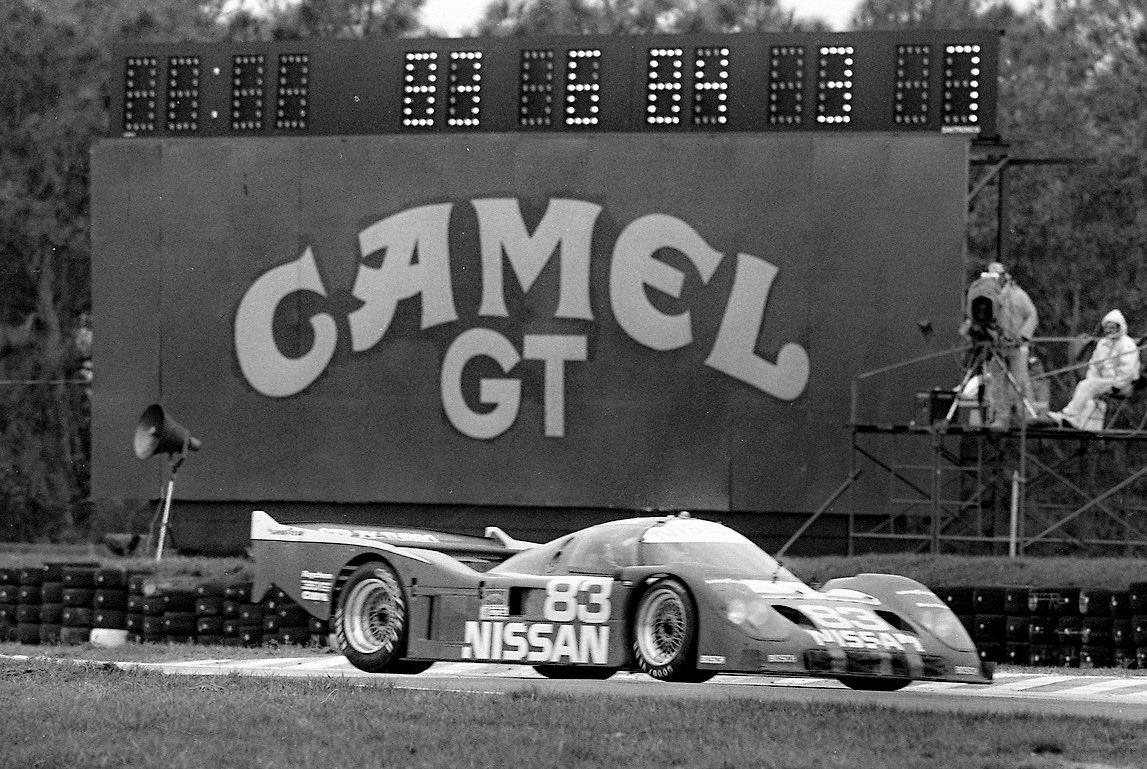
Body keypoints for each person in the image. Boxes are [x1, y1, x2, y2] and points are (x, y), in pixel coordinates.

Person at [959, 262, 1039, 430]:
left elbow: (1032, 314)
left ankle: (1027, 416)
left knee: (1020, 381)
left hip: (1016, 347)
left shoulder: (1018, 295)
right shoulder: (988, 297)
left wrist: (1023, 335)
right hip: (996, 346)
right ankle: (1000, 418)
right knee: (996, 383)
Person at [1049, 309, 1141, 430]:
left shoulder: (1127, 344)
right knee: (1087, 393)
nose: (1109, 331)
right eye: (1107, 328)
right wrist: (1092, 380)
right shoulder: (1103, 344)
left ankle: (1069, 414)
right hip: (1103, 382)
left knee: (1085, 386)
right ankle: (1082, 423)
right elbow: (1094, 365)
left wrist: (1117, 384)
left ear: (1120, 327)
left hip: (1121, 385)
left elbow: (1128, 370)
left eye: (1112, 328)